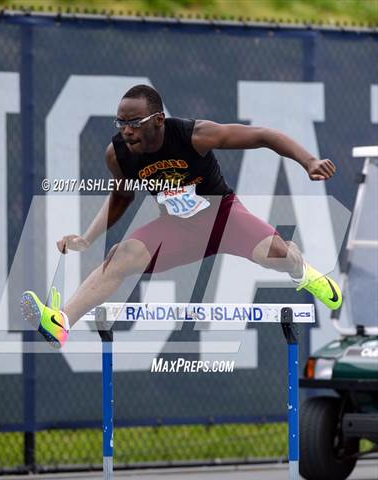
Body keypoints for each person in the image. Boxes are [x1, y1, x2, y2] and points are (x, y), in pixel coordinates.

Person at [21, 84, 341, 348]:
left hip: (224, 219)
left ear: (158, 119)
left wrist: (309, 161)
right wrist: (87, 238)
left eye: (135, 123)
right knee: (120, 256)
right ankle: (61, 322)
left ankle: (305, 273)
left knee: (281, 255)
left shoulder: (195, 135)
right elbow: (122, 195)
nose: (127, 131)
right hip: (176, 230)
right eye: (120, 123)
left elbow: (263, 136)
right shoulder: (117, 154)